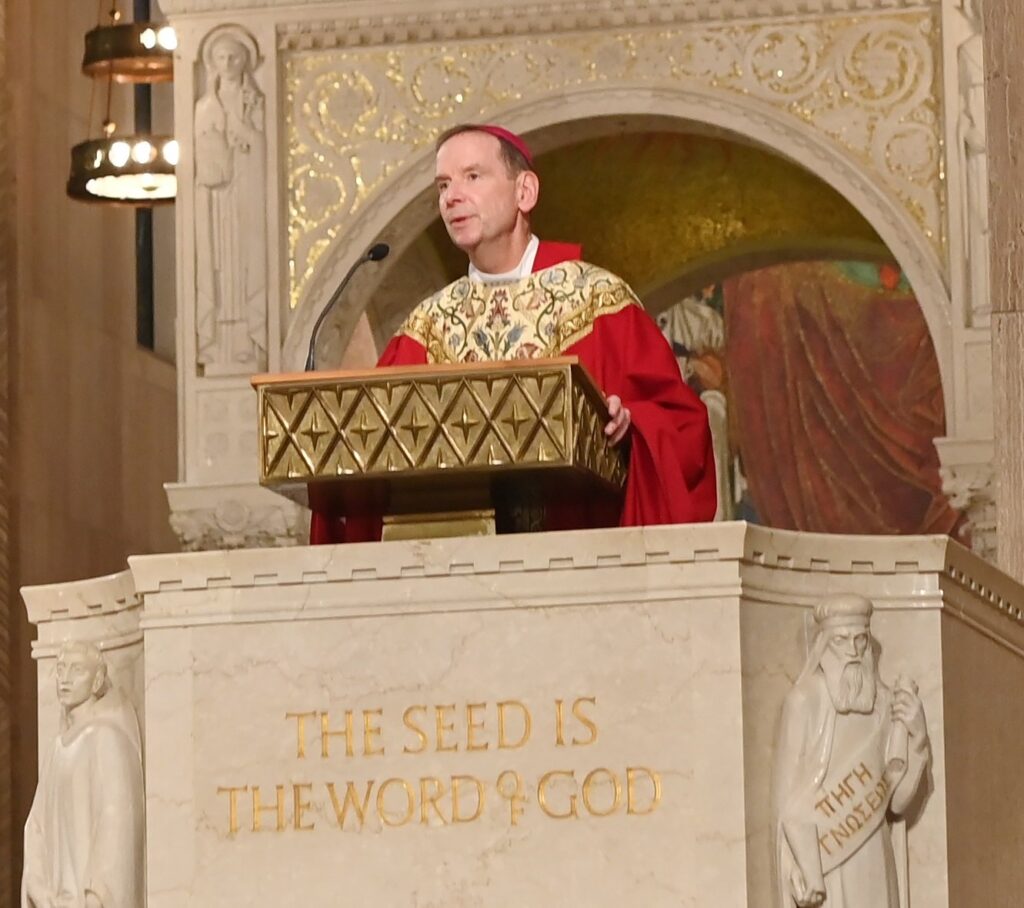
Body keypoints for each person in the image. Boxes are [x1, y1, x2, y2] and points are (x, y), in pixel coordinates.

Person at [311, 124, 716, 542]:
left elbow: (685, 433)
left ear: (525, 192)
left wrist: (631, 426)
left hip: (580, 566)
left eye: (472, 176)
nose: (451, 197)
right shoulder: (425, 328)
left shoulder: (599, 303)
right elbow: (367, 454)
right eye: (443, 184)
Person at [772, 594, 930, 908]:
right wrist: (798, 865)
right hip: (827, 857)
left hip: (873, 852)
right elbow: (786, 800)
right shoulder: (804, 701)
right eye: (842, 641)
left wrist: (918, 739)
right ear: (824, 645)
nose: (854, 651)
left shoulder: (883, 703)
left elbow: (896, 803)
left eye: (860, 639)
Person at [22, 641, 144, 908]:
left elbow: (115, 822)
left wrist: (97, 894)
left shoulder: (106, 737)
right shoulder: (57, 748)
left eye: (77, 670)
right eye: (61, 669)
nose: (64, 679)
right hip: (55, 899)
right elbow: (36, 825)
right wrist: (38, 885)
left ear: (98, 679)